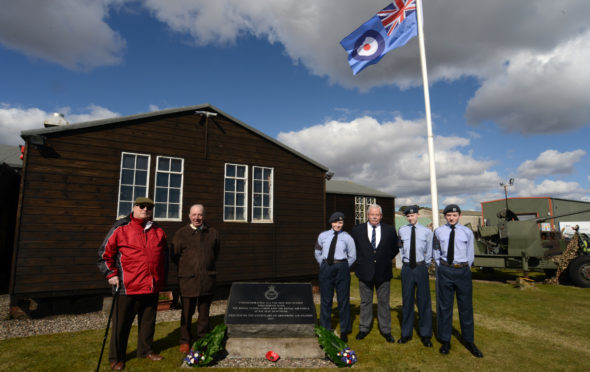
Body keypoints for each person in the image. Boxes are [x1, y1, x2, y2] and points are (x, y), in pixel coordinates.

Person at [97, 197, 168, 370]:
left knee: (148, 323)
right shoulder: (120, 228)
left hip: (151, 286)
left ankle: (145, 350)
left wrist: (162, 279)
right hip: (127, 286)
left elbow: (164, 257)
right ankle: (116, 357)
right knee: (121, 325)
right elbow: (104, 254)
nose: (145, 209)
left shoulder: (158, 230)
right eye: (142, 206)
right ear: (134, 207)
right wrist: (111, 274)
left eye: (149, 207)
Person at [433, 204, 483, 358]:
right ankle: (445, 340)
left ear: (459, 216)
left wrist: (465, 267)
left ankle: (469, 340)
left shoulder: (467, 232)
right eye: (448, 215)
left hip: (462, 271)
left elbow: (470, 254)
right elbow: (435, 251)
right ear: (445, 217)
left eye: (454, 215)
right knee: (444, 306)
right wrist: (441, 267)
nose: (451, 218)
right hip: (445, 270)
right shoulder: (439, 232)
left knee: (466, 307)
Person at [171, 204, 220, 354]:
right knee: (186, 313)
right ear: (189, 216)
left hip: (207, 279)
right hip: (188, 280)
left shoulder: (213, 233)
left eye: (200, 215)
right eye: (194, 214)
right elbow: (174, 256)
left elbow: (215, 253)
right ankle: (185, 341)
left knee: (204, 314)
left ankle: (202, 339)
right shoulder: (181, 234)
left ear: (204, 216)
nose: (197, 217)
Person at [352, 204, 399, 343]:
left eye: (377, 214)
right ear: (367, 215)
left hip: (383, 272)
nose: (374, 216)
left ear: (381, 216)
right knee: (365, 301)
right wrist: (361, 262)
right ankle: (364, 328)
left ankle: (386, 330)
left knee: (383, 302)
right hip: (364, 272)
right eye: (372, 214)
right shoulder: (357, 229)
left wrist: (383, 259)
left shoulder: (389, 230)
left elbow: (395, 248)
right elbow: (353, 248)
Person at [314, 211, 356, 342]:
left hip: (342, 267)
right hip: (326, 267)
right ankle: (325, 329)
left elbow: (353, 256)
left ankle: (344, 330)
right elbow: (317, 251)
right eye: (336, 222)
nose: (338, 225)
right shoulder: (323, 236)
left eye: (340, 222)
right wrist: (324, 265)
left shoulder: (347, 237)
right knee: (326, 300)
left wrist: (343, 267)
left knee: (343, 300)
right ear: (331, 223)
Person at [397, 205, 433, 347]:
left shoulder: (426, 232)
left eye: (413, 215)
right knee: (407, 301)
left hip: (420, 267)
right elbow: (400, 248)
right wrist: (404, 263)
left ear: (418, 215)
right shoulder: (402, 230)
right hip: (407, 268)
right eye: (408, 216)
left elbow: (429, 250)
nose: (411, 218)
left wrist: (426, 264)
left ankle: (425, 335)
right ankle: (406, 334)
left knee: (424, 301)